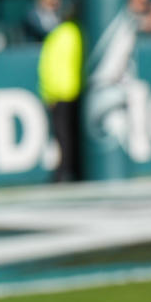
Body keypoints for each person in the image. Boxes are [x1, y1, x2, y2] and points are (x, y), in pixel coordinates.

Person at [37, 10, 83, 182]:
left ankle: (64, 171)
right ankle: (67, 171)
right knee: (68, 136)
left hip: (62, 91)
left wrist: (49, 93)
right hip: (72, 89)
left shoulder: (59, 33)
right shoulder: (75, 33)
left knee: (64, 137)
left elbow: (48, 65)